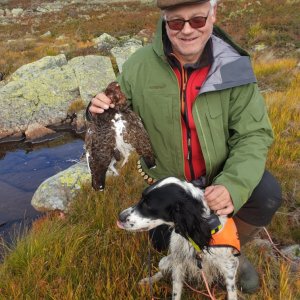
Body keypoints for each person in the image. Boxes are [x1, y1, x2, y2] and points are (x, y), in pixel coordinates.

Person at [88, 0, 282, 294]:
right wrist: (96, 109)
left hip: (219, 175)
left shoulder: (233, 66)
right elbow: (112, 106)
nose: (187, 30)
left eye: (198, 20)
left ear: (213, 14)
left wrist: (232, 185)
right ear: (165, 20)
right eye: (177, 22)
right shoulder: (139, 66)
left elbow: (253, 134)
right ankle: (194, 251)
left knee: (266, 193)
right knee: (161, 241)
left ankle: (231, 251)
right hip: (170, 181)